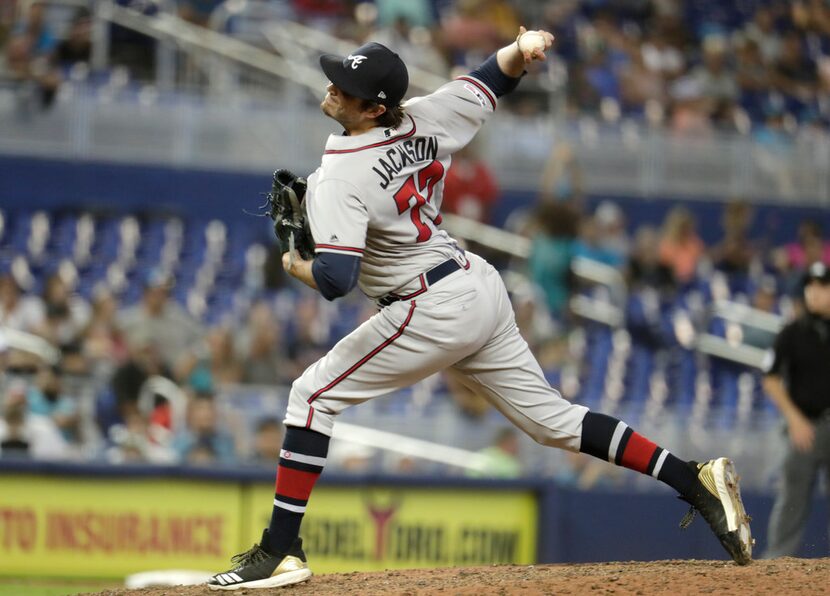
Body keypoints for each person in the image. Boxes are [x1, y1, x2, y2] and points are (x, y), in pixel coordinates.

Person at [208, 30, 752, 591]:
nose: (332, 87)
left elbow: (336, 280)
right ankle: (693, 480)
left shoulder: (342, 175)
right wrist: (524, 48)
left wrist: (295, 262)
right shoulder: (424, 116)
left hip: (430, 304)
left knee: (310, 395)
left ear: (375, 108)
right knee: (552, 422)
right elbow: (493, 80)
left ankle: (280, 549)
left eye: (346, 87)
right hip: (475, 284)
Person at [761, 261, 830, 558]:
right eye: (810, 287)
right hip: (804, 426)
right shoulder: (791, 332)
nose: (814, 293)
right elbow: (771, 379)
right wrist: (794, 418)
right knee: (792, 498)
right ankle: (776, 564)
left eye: (823, 287)